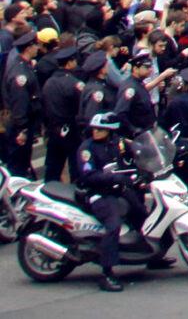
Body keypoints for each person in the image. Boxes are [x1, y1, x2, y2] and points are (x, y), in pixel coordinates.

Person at [74, 111, 140, 291]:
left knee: (141, 212)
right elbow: (88, 176)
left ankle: (153, 254)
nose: (96, 132)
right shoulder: (87, 149)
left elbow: (129, 159)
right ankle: (107, 273)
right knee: (113, 225)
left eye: (101, 129)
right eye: (95, 129)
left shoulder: (115, 144)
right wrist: (112, 179)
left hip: (117, 190)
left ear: (110, 131)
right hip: (98, 194)